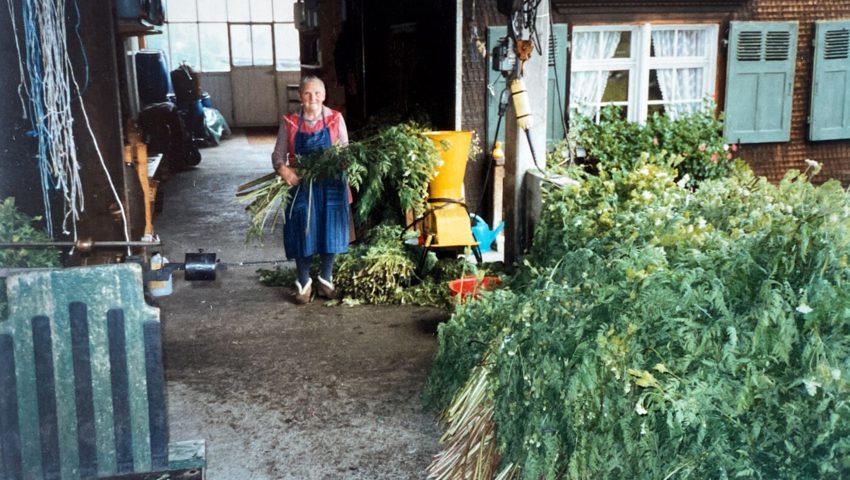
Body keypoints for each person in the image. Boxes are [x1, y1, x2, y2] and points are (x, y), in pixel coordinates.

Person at [271, 76, 350, 304]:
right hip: (301, 184)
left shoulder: (335, 119)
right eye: (307, 93)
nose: (312, 98)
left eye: (317, 93)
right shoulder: (290, 121)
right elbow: (278, 155)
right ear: (300, 96)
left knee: (330, 230)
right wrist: (286, 171)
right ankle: (303, 283)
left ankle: (326, 281)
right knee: (302, 231)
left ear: (324, 96)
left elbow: (346, 151)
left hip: (331, 184)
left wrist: (340, 163)